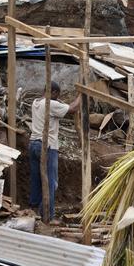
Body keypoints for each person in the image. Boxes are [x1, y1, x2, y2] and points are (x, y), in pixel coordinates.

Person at [28, 82, 79, 224]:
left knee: (36, 180)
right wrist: (83, 94)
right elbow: (74, 108)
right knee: (51, 182)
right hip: (47, 147)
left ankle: (32, 210)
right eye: (58, 95)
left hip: (33, 145)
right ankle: (48, 216)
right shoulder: (50, 104)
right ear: (54, 92)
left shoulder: (36, 102)